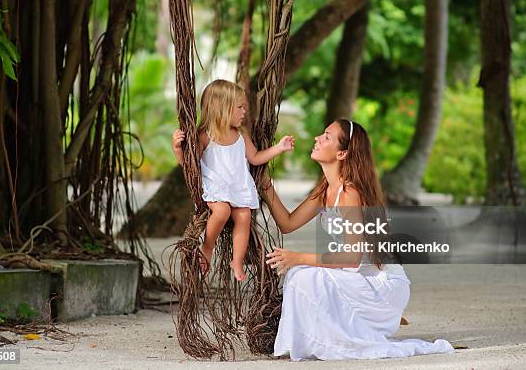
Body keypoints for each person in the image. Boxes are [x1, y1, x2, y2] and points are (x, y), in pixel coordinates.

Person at [263, 119, 454, 360]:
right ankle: (341, 333)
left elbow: (352, 258)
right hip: (358, 277)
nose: (317, 139)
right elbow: (288, 223)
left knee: (304, 274)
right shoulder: (325, 190)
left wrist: (297, 257)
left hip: (383, 285)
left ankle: (359, 329)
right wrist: (266, 186)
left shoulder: (350, 193)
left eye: (327, 137)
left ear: (342, 153)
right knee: (300, 274)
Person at [172, 79, 294, 281]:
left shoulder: (240, 135)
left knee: (244, 216)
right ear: (222, 108)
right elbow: (189, 166)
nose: (244, 112)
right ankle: (207, 247)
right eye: (239, 107)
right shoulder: (205, 136)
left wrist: (279, 148)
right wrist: (177, 148)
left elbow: (255, 157)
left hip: (236, 186)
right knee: (222, 211)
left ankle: (236, 261)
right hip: (215, 186)